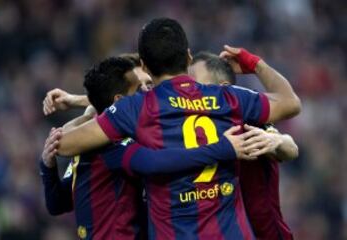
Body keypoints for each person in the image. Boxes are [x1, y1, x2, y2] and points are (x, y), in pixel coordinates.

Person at [52, 18, 301, 239]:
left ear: (146, 68)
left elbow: (64, 144)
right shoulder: (228, 98)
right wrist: (254, 63)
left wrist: (87, 109)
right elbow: (290, 103)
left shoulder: (135, 109)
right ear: (188, 57)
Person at [40, 56, 258, 240]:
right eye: (140, 88)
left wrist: (81, 103)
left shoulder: (92, 136)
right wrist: (47, 165)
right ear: (119, 100)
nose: (147, 93)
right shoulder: (109, 145)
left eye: (149, 86)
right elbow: (58, 203)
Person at [189, 51, 297, 239]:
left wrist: (276, 140)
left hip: (264, 234)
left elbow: (290, 148)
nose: (189, 92)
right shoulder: (186, 128)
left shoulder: (244, 120)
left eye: (196, 85)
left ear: (225, 90)